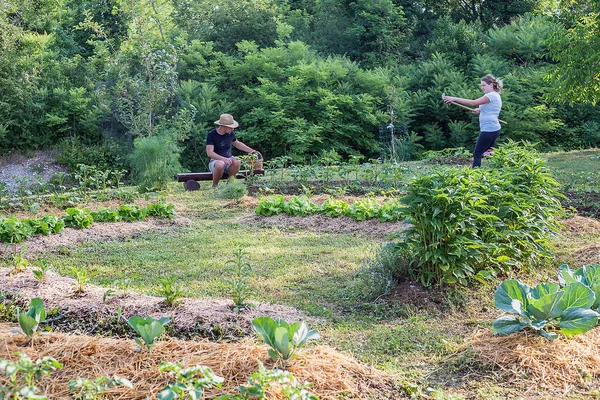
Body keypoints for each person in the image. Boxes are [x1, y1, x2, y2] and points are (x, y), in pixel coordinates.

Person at [444, 74, 503, 167]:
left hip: (489, 129)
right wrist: (480, 110)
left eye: (484, 85)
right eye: (481, 85)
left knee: (477, 154)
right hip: (493, 128)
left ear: (491, 84)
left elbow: (473, 103)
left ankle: (475, 177)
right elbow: (491, 109)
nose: (482, 88)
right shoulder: (494, 95)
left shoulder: (491, 95)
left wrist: (454, 98)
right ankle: (499, 169)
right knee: (489, 152)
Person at [206, 113, 258, 188]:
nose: (232, 129)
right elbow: (209, 153)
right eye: (230, 127)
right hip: (215, 162)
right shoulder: (211, 134)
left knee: (237, 160)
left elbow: (237, 143)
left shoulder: (230, 133)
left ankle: (230, 185)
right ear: (224, 126)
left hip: (229, 160)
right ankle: (214, 186)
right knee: (220, 164)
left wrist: (251, 150)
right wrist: (223, 159)